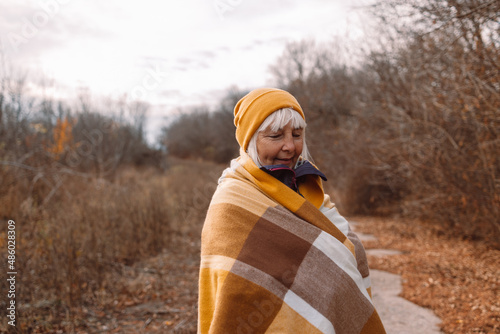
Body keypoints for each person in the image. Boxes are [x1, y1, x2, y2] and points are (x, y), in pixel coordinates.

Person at [198, 88, 386, 333]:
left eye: (297, 135)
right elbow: (236, 288)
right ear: (251, 140)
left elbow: (342, 247)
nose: (289, 146)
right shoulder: (232, 201)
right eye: (276, 136)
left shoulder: (307, 186)